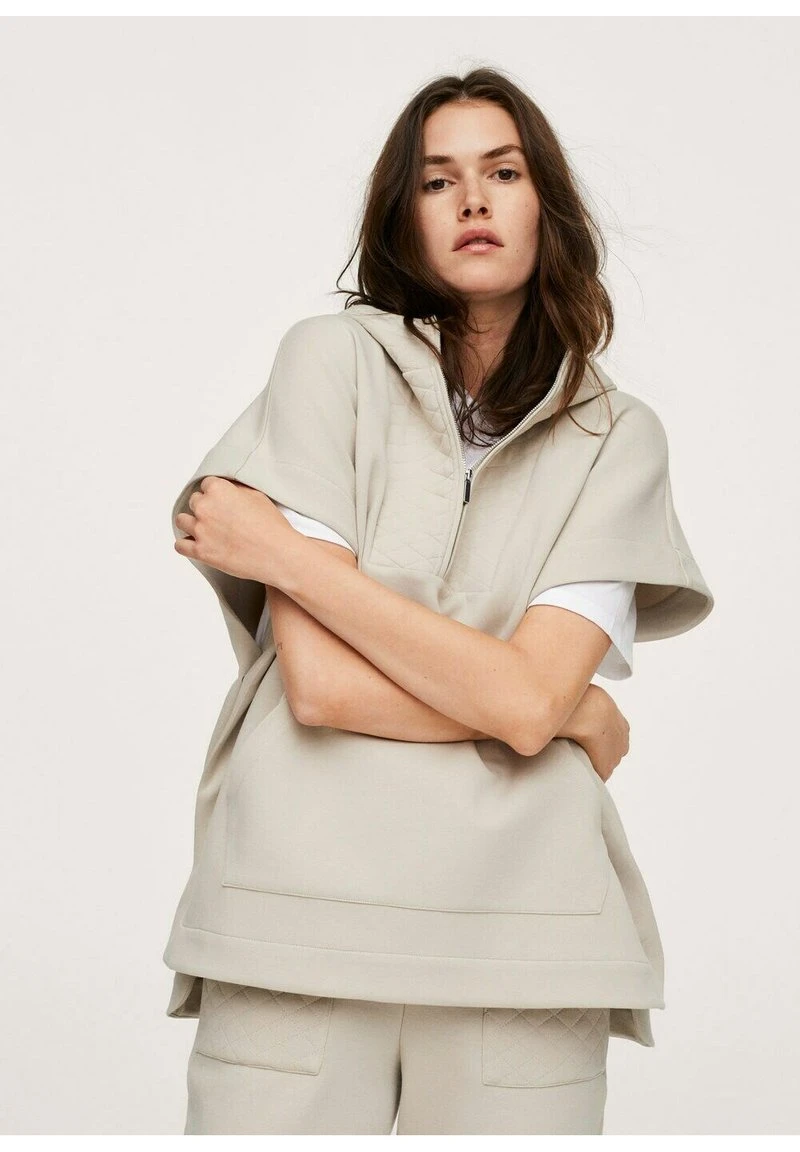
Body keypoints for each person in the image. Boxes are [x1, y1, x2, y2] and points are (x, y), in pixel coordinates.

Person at [165, 67, 714, 1135]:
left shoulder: (617, 437)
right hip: (295, 922)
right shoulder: (326, 361)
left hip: (527, 936)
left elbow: (523, 703)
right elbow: (321, 688)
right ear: (402, 215)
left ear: (545, 205)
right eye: (436, 180)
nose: (471, 200)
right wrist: (564, 708)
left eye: (502, 173)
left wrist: (286, 557)